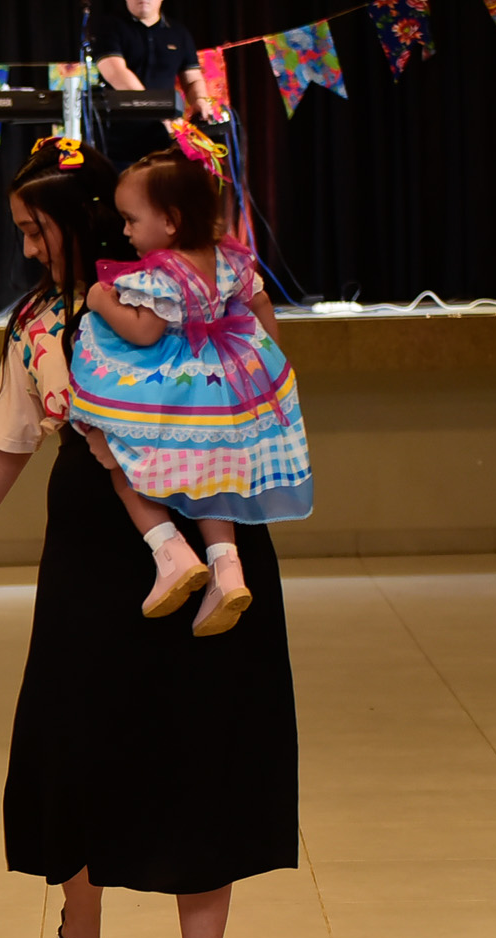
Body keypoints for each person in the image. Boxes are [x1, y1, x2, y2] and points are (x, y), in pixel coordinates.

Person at [0, 137, 299, 938]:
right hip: (96, 546)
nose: (29, 248)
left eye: (38, 230)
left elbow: (264, 371)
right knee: (78, 739)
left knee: (205, 747)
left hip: (211, 520)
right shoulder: (40, 322)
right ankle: (81, 923)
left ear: (89, 220)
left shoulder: (200, 284)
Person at [72, 124, 310, 637]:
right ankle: (227, 568)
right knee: (212, 477)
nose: (126, 232)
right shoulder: (230, 258)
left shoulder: (161, 273)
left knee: (120, 455)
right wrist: (267, 362)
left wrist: (100, 300)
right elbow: (261, 305)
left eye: (131, 220)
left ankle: (170, 552)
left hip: (173, 384)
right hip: (226, 385)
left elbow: (144, 330)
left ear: (171, 221)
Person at [91, 0, 218, 166]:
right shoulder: (109, 26)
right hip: (118, 141)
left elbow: (193, 79)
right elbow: (115, 72)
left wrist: (199, 100)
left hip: (166, 140)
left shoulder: (179, 33)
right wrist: (158, 111)